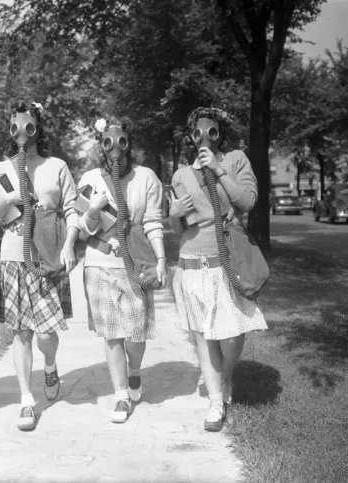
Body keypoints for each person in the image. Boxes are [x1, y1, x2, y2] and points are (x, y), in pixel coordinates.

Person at [168, 107, 267, 432]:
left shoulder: (236, 159)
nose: (203, 137)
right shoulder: (181, 174)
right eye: (196, 132)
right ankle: (214, 402)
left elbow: (248, 201)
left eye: (210, 130)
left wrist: (219, 169)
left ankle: (225, 376)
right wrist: (173, 213)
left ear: (219, 132)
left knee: (234, 331)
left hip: (227, 263)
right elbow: (179, 230)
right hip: (193, 262)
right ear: (191, 136)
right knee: (203, 334)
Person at [0, 101, 79, 431]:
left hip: (46, 257)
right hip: (13, 257)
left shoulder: (57, 166)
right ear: (11, 129)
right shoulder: (3, 169)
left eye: (28, 124)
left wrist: (69, 245)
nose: (22, 130)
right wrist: (8, 199)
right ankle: (26, 400)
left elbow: (74, 209)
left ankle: (50, 363)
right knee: (20, 333)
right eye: (16, 125)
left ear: (37, 126)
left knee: (45, 333)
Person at [76, 117, 167, 423]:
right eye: (108, 142)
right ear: (101, 146)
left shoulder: (146, 178)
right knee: (112, 334)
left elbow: (153, 222)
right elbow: (83, 229)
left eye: (121, 141)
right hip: (99, 265)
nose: (115, 148)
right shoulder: (90, 179)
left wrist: (162, 260)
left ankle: (135, 370)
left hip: (136, 265)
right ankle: (120, 395)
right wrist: (91, 209)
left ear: (129, 142)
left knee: (136, 333)